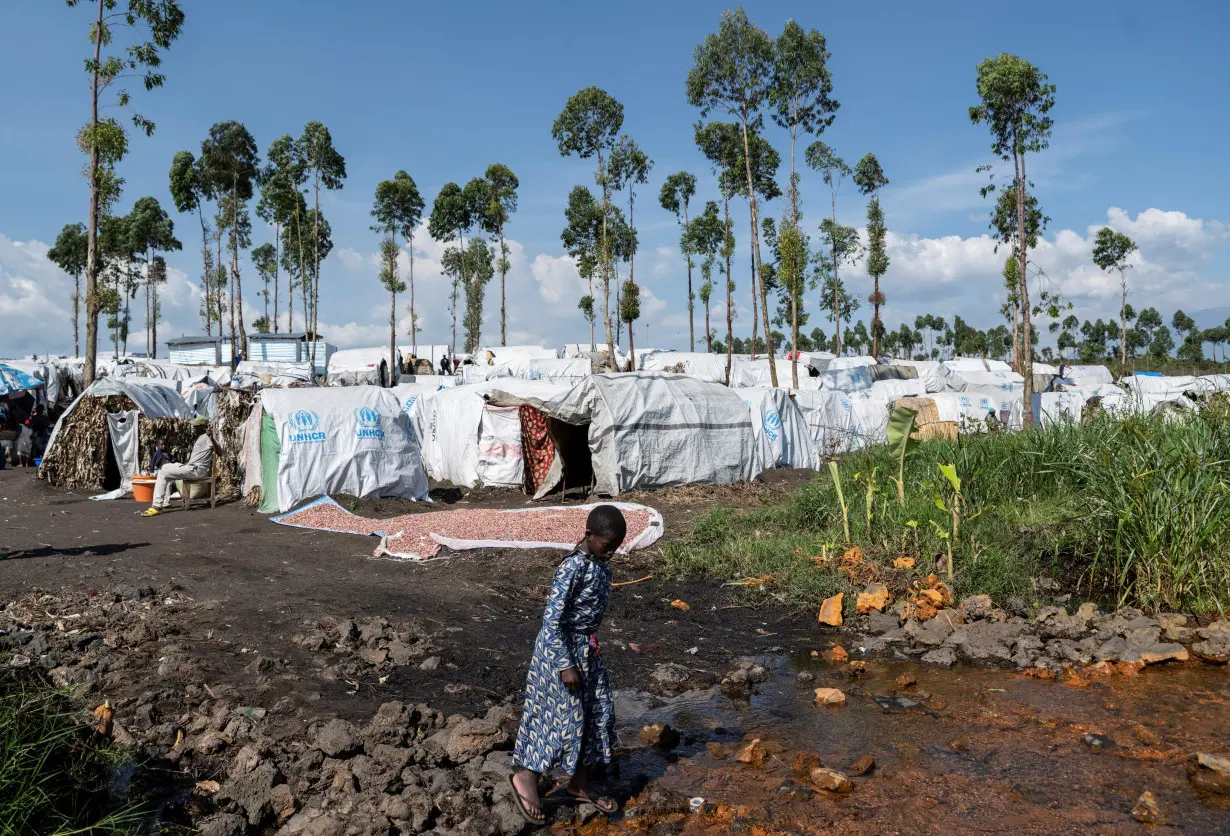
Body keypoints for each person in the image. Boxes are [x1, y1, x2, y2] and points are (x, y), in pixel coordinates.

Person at [507, 505, 626, 826]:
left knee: (598, 713)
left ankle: (580, 783)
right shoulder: (572, 568)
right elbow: (552, 620)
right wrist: (564, 664)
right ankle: (526, 778)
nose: (612, 553)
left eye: (616, 548)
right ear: (589, 535)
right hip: (558, 653)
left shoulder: (598, 566)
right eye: (607, 545)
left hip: (585, 650)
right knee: (555, 717)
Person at [142, 417, 216, 516]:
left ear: (203, 427)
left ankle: (157, 506)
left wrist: (212, 439)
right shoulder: (200, 437)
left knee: (163, 470)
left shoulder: (208, 438)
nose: (193, 428)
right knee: (164, 473)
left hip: (196, 470)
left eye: (196, 426)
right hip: (192, 468)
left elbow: (220, 452)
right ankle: (159, 504)